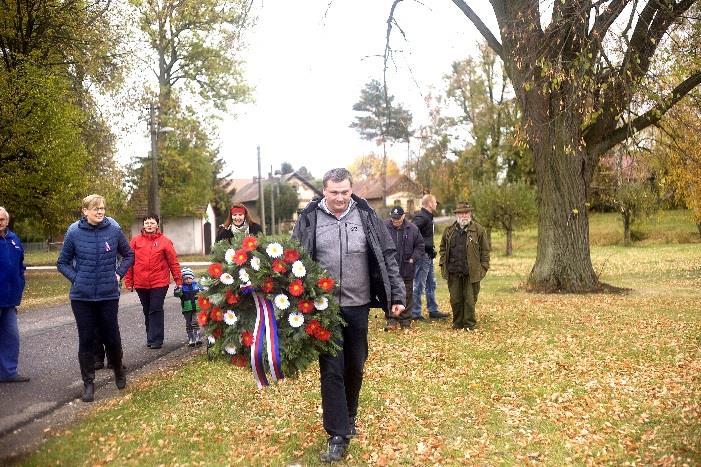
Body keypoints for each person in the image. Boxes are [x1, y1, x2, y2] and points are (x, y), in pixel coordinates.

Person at [293, 168, 405, 463]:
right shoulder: (310, 219)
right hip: (323, 308)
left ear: (351, 190)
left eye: (345, 192)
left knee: (355, 365)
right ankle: (337, 434)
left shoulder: (366, 216)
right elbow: (294, 259)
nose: (340, 198)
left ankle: (350, 413)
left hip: (359, 305)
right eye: (334, 192)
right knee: (332, 369)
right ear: (324, 192)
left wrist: (397, 295)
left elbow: (388, 255)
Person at [57, 194, 134, 402]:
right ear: (85, 211)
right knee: (86, 339)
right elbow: (62, 262)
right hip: (82, 297)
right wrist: (77, 279)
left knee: (111, 336)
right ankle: (88, 383)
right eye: (95, 208)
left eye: (102, 208)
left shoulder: (113, 229)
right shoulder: (74, 232)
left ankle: (118, 369)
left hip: (108, 295)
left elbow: (129, 255)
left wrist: (118, 274)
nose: (100, 212)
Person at [124, 214, 182, 349]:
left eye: (152, 223)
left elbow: (173, 262)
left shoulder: (165, 242)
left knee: (155, 308)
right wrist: (129, 280)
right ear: (143, 225)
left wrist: (178, 280)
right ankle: (150, 337)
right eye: (146, 223)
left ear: (157, 225)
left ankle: (156, 339)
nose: (149, 225)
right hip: (141, 282)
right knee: (147, 310)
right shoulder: (135, 241)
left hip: (159, 282)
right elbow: (129, 262)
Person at [439, 202, 490, 331]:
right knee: (455, 299)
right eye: (460, 213)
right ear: (456, 215)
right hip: (453, 272)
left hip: (471, 273)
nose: (463, 216)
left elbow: (485, 251)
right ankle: (457, 323)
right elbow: (443, 248)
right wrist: (443, 264)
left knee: (470, 300)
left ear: (470, 214)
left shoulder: (479, 230)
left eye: (466, 213)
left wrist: (483, 269)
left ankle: (469, 324)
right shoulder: (448, 231)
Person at [0, 207, 30, 383]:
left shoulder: (14, 239)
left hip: (10, 300)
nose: (0, 223)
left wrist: (20, 282)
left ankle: (8, 372)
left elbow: (20, 264)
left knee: (11, 337)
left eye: (2, 219)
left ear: (7, 221)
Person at [383, 206, 424, 331]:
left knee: (407, 294)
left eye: (398, 218)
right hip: (389, 269)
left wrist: (413, 258)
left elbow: (420, 246)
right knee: (390, 294)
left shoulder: (412, 229)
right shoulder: (384, 227)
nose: (395, 221)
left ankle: (405, 320)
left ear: (404, 216)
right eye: (393, 218)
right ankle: (391, 319)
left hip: (406, 267)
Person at [412, 194, 449, 321]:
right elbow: (412, 231)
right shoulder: (421, 217)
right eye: (435, 202)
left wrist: (430, 248)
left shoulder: (428, 216)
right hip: (422, 256)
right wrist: (424, 247)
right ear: (429, 204)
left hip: (428, 255)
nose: (436, 204)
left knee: (431, 284)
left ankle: (433, 310)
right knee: (418, 284)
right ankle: (415, 313)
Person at [174, 267, 202, 346]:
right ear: (183, 279)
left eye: (190, 278)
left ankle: (198, 338)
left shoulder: (196, 285)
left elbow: (203, 292)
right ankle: (191, 339)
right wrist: (177, 289)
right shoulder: (182, 287)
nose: (188, 280)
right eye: (185, 278)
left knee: (195, 322)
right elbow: (177, 294)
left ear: (192, 277)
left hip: (196, 308)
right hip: (187, 309)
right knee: (188, 324)